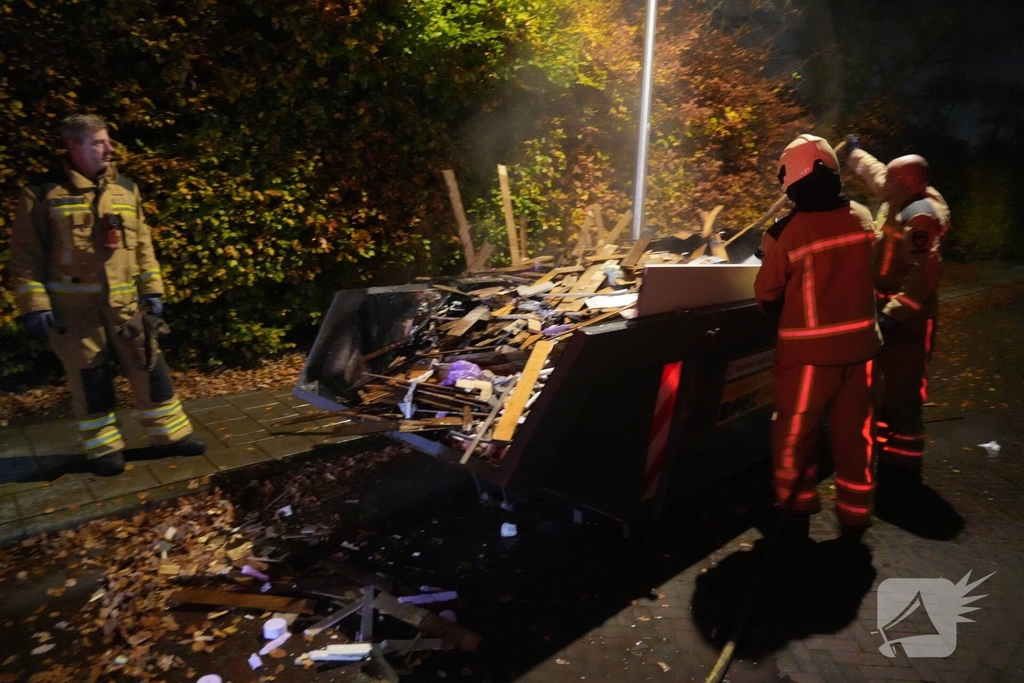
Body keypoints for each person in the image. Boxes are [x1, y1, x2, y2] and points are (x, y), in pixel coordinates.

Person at [11, 113, 206, 476]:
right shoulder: (41, 194)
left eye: (108, 140)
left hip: (127, 307)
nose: (110, 148)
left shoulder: (126, 190)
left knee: (151, 370)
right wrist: (35, 306)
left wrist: (152, 291)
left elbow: (143, 245)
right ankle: (104, 450)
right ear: (73, 146)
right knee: (92, 380)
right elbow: (25, 256)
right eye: (99, 141)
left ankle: (171, 437)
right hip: (75, 314)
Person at [754, 134, 882, 544]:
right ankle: (856, 518)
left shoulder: (783, 233)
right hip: (862, 353)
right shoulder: (863, 217)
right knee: (855, 436)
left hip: (808, 359)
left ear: (791, 179)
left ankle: (795, 513)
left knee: (794, 437)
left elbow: (767, 293)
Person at [844, 136, 950, 505]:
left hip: (910, 320)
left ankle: (903, 475)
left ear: (907, 182)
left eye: (891, 179)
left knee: (904, 396)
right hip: (889, 313)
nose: (881, 185)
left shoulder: (920, 214)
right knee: (884, 391)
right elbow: (877, 174)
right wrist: (853, 154)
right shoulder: (899, 197)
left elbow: (924, 273)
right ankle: (887, 460)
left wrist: (895, 313)